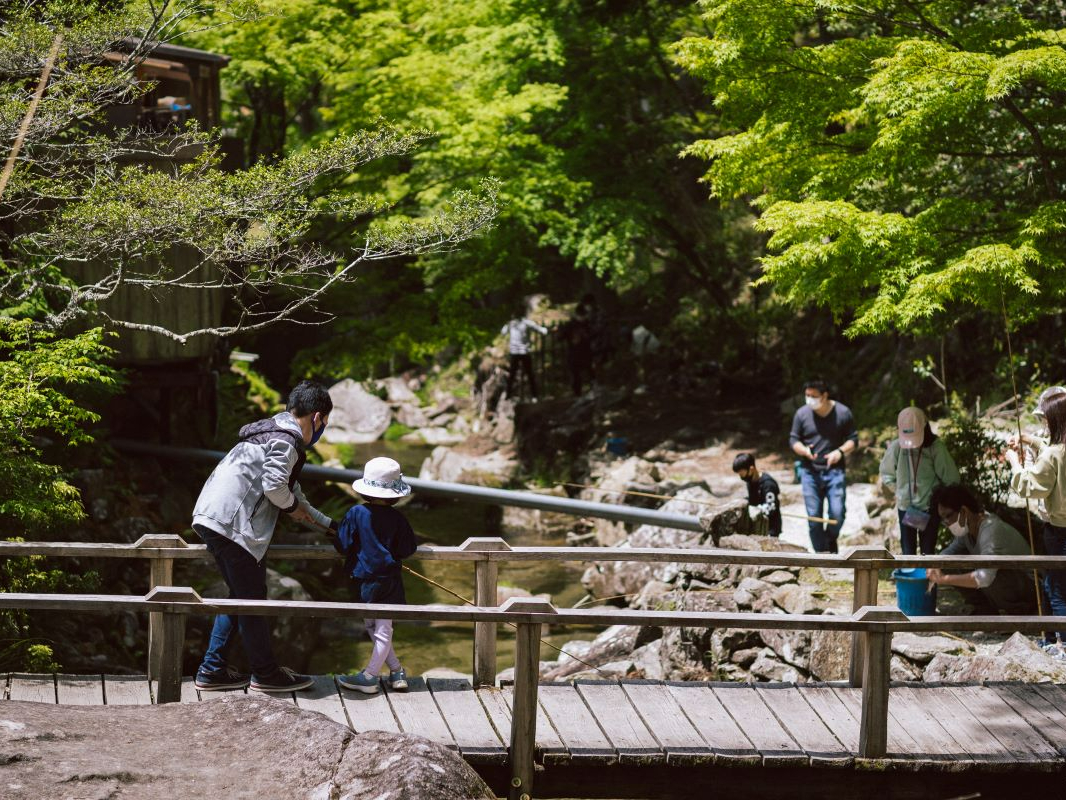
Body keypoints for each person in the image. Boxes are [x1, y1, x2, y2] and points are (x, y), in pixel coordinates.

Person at [192, 380, 336, 692]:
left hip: (211, 516)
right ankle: (265, 673)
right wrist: (293, 507)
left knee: (240, 597)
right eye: (324, 422)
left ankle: (212, 670)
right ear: (317, 417)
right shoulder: (287, 441)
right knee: (253, 601)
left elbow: (290, 492)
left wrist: (330, 527)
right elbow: (276, 489)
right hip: (234, 525)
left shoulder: (270, 433)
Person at [328, 456, 418, 694]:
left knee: (375, 626)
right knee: (380, 626)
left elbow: (343, 544)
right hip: (390, 579)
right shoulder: (399, 518)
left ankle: (369, 676)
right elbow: (408, 549)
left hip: (363, 579)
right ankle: (396, 670)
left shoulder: (356, 513)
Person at [1006, 391, 1066, 653]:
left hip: (1059, 532)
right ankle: (1054, 639)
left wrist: (1013, 464)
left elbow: (1030, 486)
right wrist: (1032, 442)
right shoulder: (1056, 451)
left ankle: (1062, 645)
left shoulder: (1053, 454)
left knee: (1057, 587)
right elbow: (1053, 455)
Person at [926, 484, 1038, 615]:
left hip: (1029, 585)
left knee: (991, 571)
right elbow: (949, 553)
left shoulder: (991, 530)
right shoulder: (967, 531)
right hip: (1010, 582)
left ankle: (1020, 610)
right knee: (951, 564)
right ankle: (985, 608)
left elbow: (984, 577)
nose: (946, 523)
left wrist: (944, 579)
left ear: (964, 511)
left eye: (948, 516)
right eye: (942, 519)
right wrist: (936, 564)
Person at [789, 379, 858, 553]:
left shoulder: (842, 412)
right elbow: (793, 440)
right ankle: (822, 555)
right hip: (809, 472)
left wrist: (839, 452)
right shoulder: (801, 414)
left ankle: (829, 539)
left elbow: (853, 440)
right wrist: (803, 450)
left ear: (825, 395)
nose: (809, 399)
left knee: (837, 514)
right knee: (814, 518)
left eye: (814, 396)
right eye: (807, 395)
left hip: (835, 471)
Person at [879, 407, 960, 555]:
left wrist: (941, 500)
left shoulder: (935, 448)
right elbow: (886, 473)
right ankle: (909, 578)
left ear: (924, 427)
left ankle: (926, 577)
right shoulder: (897, 447)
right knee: (908, 552)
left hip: (930, 508)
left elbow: (951, 479)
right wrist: (899, 491)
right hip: (906, 507)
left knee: (927, 552)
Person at [502, 308, 547, 402]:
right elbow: (503, 332)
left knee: (527, 374)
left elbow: (539, 329)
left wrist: (544, 330)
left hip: (524, 352)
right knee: (515, 375)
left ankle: (534, 396)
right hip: (516, 352)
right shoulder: (513, 324)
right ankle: (509, 395)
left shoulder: (525, 323)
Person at [732, 453, 782, 537]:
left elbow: (771, 507)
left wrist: (755, 510)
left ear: (751, 469)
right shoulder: (750, 481)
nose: (741, 476)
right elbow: (753, 500)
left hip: (770, 528)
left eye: (741, 473)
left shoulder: (768, 484)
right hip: (757, 527)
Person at [564, 298, 595, 396]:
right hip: (574, 353)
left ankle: (593, 391)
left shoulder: (587, 325)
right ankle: (577, 394)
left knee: (590, 373)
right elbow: (561, 336)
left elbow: (592, 335)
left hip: (585, 352)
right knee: (576, 376)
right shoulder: (570, 325)